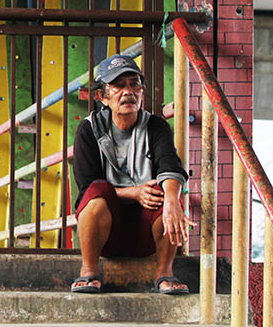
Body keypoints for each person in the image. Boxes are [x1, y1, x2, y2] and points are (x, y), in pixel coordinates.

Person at [71, 54, 196, 294]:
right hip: (106, 235)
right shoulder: (89, 129)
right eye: (118, 85)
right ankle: (88, 271)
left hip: (146, 234)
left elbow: (169, 163)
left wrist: (172, 200)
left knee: (167, 191)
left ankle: (165, 273)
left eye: (134, 83)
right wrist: (134, 192)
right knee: (96, 191)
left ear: (142, 91)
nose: (128, 91)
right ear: (101, 96)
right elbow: (87, 185)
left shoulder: (156, 127)